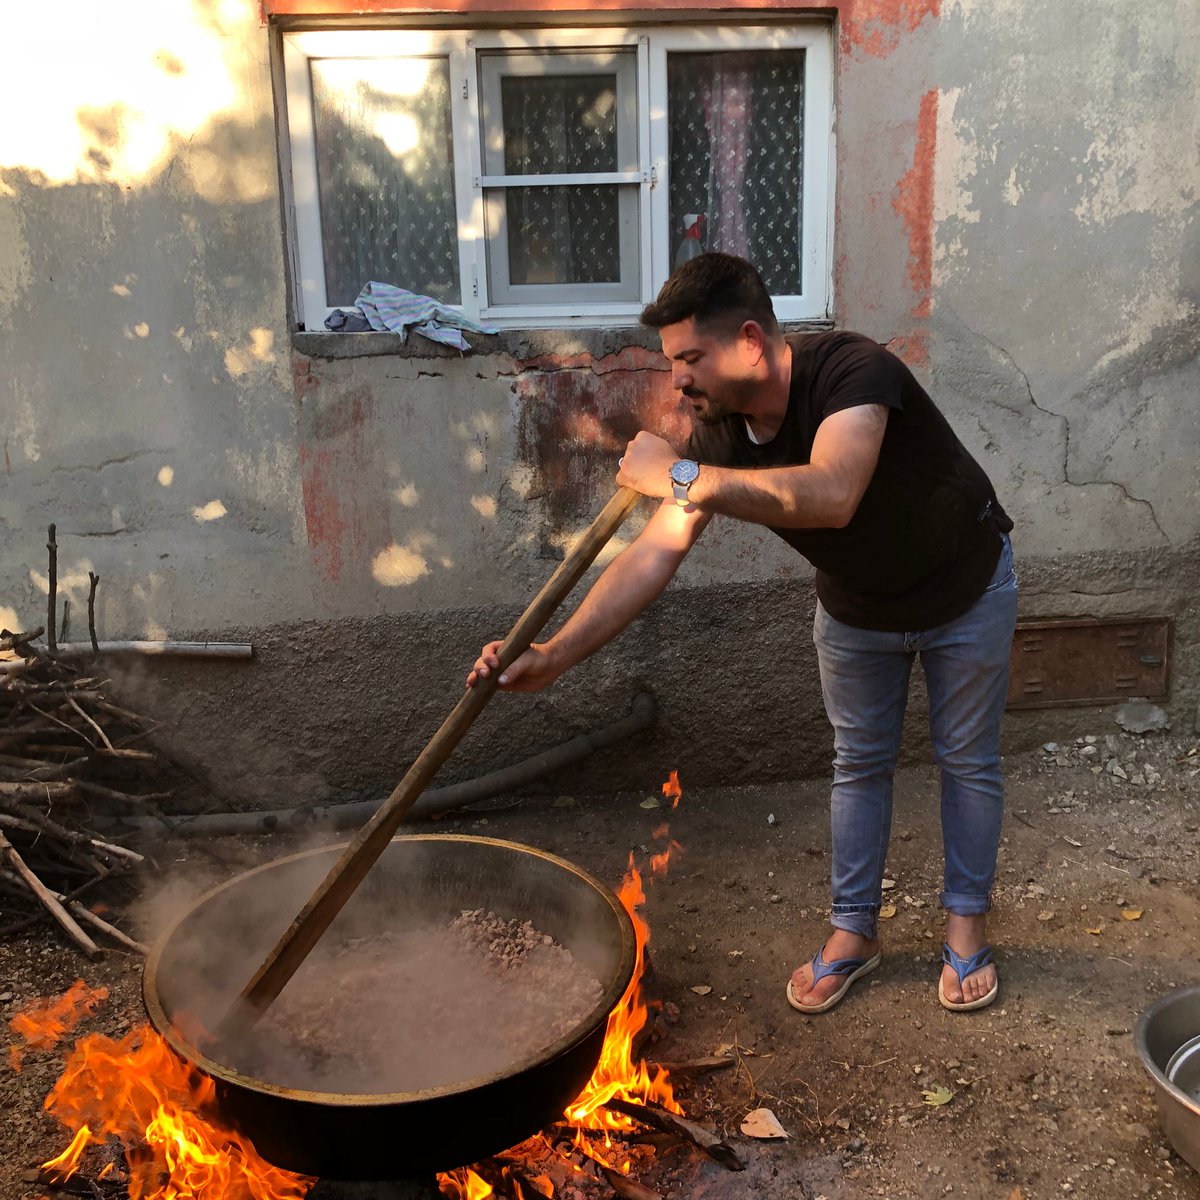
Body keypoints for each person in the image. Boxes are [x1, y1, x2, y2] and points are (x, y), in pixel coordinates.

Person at [467, 253, 1018, 1014]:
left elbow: (831, 494)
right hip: (859, 610)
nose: (678, 382)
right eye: (673, 363)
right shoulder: (719, 430)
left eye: (689, 359)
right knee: (858, 765)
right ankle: (853, 934)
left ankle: (965, 930)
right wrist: (555, 656)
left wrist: (682, 477)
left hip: (964, 588)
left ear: (750, 342)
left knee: (966, 759)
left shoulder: (853, 372)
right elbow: (654, 554)